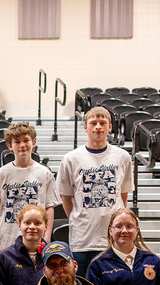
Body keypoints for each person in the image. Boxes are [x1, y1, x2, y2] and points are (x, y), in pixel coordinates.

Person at [56, 106, 134, 276]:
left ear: (110, 127)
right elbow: (66, 197)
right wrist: (79, 216)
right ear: (85, 128)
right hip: (83, 239)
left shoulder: (122, 157)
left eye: (102, 123)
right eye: (93, 123)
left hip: (114, 239)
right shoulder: (71, 158)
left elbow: (123, 194)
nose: (98, 126)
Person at [0, 121, 58, 255]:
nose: (22, 145)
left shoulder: (45, 173)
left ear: (34, 142)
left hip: (37, 240)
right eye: (17, 141)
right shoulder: (2, 173)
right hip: (7, 239)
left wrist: (47, 237)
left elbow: (49, 207)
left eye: (26, 140)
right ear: (9, 146)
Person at [86, 208, 160, 285]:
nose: (124, 231)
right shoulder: (98, 265)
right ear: (111, 231)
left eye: (129, 226)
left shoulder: (153, 261)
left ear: (136, 230)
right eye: (118, 226)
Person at [0, 204, 49, 285]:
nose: (32, 227)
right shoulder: (3, 258)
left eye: (38, 223)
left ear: (46, 226)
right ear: (19, 225)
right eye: (27, 223)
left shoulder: (53, 256)